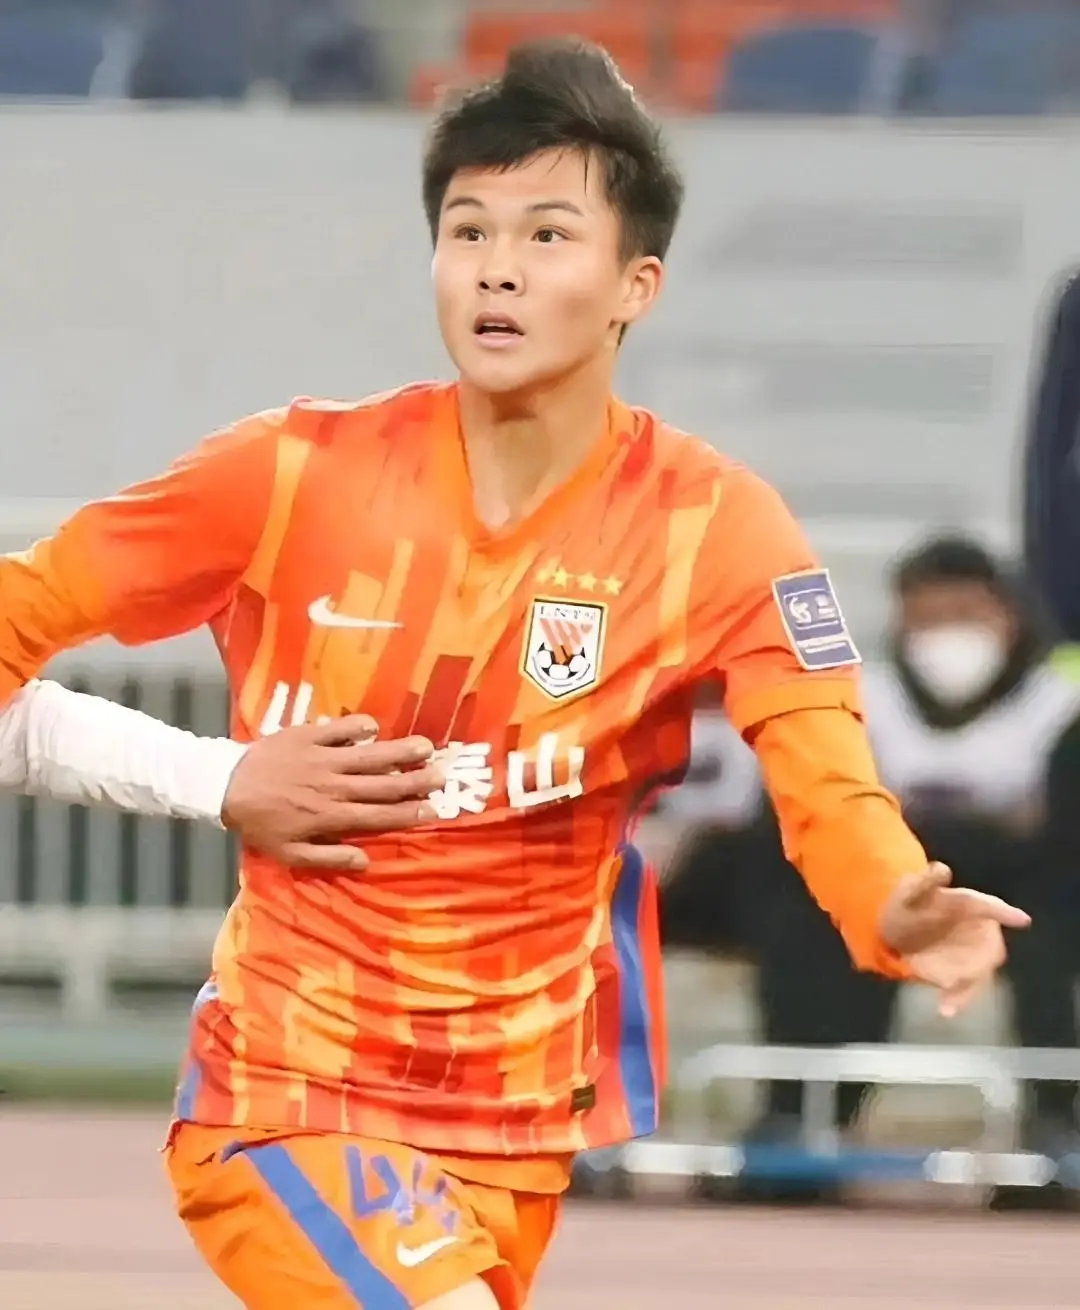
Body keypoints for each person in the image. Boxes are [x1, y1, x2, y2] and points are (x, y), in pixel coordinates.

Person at [0, 40, 1028, 1310]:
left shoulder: (715, 529)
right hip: (287, 1094)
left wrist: (890, 900)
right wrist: (214, 776)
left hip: (517, 1124)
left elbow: (822, 768)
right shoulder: (288, 475)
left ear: (636, 283)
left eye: (548, 234)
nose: (497, 264)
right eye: (467, 229)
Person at [746, 535, 1080, 1201]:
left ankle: (1056, 1123)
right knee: (815, 920)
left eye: (966, 617)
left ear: (1008, 616)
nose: (947, 637)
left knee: (1046, 936)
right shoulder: (861, 702)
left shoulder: (1059, 707)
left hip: (1025, 889)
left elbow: (1061, 833)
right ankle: (801, 1116)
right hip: (895, 880)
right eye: (929, 619)